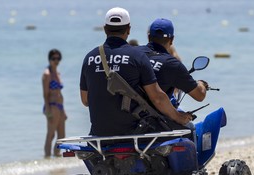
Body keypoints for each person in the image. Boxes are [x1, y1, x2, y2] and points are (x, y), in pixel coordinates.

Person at [80, 7, 191, 137]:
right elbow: (157, 98)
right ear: (128, 30)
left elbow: (85, 100)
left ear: (105, 29)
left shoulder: (90, 58)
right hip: (135, 132)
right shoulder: (137, 56)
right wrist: (178, 117)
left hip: (99, 133)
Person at [138, 18, 207, 101]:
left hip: (126, 109)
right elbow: (199, 96)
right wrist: (201, 84)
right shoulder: (172, 65)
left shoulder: (133, 54)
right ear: (172, 40)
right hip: (153, 112)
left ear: (149, 37)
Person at [42, 49, 66, 157]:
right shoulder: (47, 74)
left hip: (60, 107)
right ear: (49, 59)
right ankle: (47, 158)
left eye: (58, 58)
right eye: (53, 58)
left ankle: (57, 157)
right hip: (52, 106)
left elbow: (60, 92)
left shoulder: (58, 73)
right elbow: (45, 94)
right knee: (50, 135)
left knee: (61, 136)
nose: (56, 61)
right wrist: (47, 109)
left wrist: (64, 111)